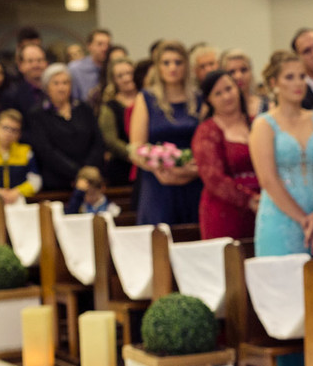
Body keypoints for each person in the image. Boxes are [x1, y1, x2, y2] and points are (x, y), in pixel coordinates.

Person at [250, 50, 313, 257]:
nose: (298, 83)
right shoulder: (264, 125)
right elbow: (268, 179)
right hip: (281, 217)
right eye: (289, 77)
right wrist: (303, 220)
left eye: (301, 77)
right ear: (274, 83)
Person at [128, 40, 202, 225]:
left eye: (178, 62)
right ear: (158, 67)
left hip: (193, 180)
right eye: (166, 63)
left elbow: (207, 142)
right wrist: (158, 168)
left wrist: (190, 171)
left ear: (186, 65)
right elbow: (136, 147)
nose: (172, 67)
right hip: (157, 182)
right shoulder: (146, 98)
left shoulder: (199, 98)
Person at [193, 69, 260, 240]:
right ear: (209, 100)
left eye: (229, 89)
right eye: (218, 93)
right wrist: (248, 200)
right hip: (225, 211)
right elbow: (213, 177)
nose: (226, 97)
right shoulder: (207, 131)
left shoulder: (257, 124)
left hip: (264, 206)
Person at [25, 64, 105, 191]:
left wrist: (87, 170)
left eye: (65, 83)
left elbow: (97, 141)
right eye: (56, 83)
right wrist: (77, 172)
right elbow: (46, 150)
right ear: (47, 87)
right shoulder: (38, 114)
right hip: (57, 181)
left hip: (90, 179)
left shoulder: (83, 108)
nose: (61, 88)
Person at [0, 109, 41, 203]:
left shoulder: (26, 152)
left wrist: (17, 192)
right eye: (5, 128)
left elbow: (36, 181)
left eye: (14, 130)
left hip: (20, 201)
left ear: (19, 134)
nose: (9, 133)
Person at [97, 56, 138, 185]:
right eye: (120, 76)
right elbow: (110, 140)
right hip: (122, 167)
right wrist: (134, 154)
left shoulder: (148, 99)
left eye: (129, 73)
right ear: (114, 80)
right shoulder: (109, 106)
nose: (126, 78)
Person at [1, 41, 48, 116]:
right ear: (20, 66)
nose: (35, 65)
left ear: (46, 63)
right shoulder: (12, 95)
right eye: (30, 61)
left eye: (39, 60)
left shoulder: (55, 89)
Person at [220, 49, 269, 118]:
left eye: (243, 70)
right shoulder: (219, 110)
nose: (238, 76)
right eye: (232, 72)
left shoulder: (268, 106)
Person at [68, 28, 111, 104]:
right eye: (100, 44)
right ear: (89, 46)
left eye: (108, 44)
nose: (105, 48)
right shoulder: (75, 69)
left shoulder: (113, 69)